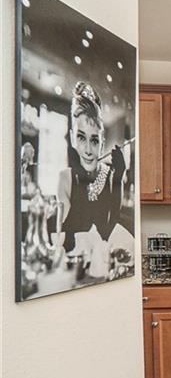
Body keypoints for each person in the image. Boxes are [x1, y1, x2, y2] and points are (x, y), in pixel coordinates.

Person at [57, 81, 128, 252]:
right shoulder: (65, 177)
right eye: (82, 138)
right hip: (73, 265)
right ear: (73, 138)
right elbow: (63, 234)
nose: (88, 150)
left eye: (94, 140)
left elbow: (111, 228)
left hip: (102, 265)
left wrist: (118, 178)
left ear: (102, 144)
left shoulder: (111, 175)